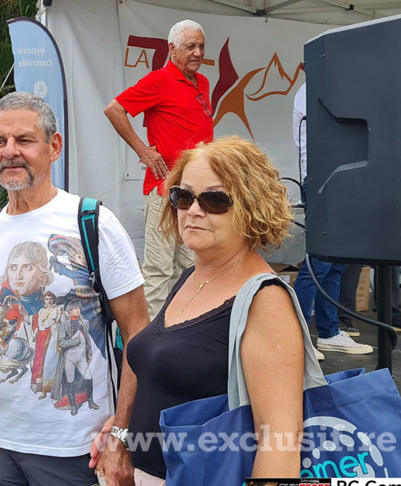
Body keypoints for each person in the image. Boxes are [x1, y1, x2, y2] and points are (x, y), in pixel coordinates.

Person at [0, 92, 149, 486]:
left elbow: (138, 335)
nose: (10, 152)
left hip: (78, 447)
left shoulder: (92, 222)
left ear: (54, 146)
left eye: (24, 140)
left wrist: (122, 434)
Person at [93, 136, 306, 484]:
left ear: (252, 207)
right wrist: (121, 434)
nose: (193, 210)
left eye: (215, 200)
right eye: (183, 195)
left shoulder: (264, 299)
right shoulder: (194, 276)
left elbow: (281, 439)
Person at [104, 19, 214, 319]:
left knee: (185, 267)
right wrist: (142, 149)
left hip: (195, 193)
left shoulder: (201, 82)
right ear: (172, 49)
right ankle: (151, 343)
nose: (198, 52)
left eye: (201, 46)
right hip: (165, 189)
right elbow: (114, 109)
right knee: (159, 269)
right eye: (190, 46)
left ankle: (175, 328)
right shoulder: (160, 80)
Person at [292, 83, 372, 355]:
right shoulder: (310, 90)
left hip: (344, 178)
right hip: (320, 179)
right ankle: (297, 338)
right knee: (318, 263)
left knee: (336, 262)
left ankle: (329, 332)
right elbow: (324, 133)